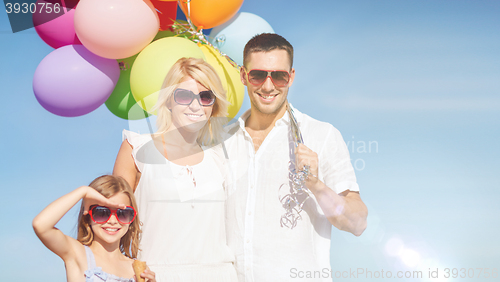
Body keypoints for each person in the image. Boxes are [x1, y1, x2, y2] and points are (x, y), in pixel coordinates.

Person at [223, 33, 368, 281]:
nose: (268, 86)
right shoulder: (222, 141)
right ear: (243, 77)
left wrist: (316, 185)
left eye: (278, 76)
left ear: (290, 77)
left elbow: (357, 222)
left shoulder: (322, 135)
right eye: (258, 75)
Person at [113, 57, 238, 282]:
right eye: (184, 95)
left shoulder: (221, 160)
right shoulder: (136, 148)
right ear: (169, 101)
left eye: (205, 96)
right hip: (155, 276)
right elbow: (112, 223)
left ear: (214, 105)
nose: (195, 104)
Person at [32, 175, 156, 282]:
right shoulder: (77, 253)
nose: (113, 221)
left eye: (122, 214)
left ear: (131, 219)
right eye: (102, 212)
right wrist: (83, 191)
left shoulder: (137, 269)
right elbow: (41, 225)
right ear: (88, 216)